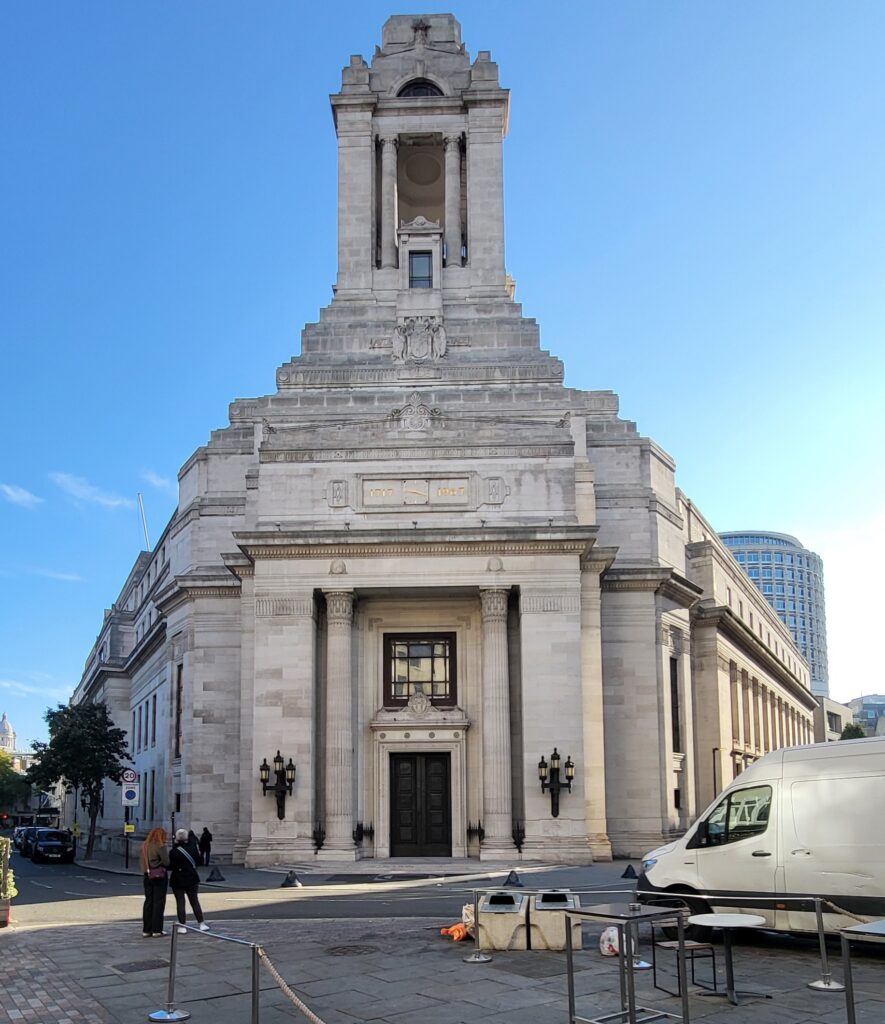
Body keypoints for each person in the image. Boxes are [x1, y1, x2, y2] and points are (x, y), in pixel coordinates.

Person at [170, 827, 208, 933]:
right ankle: (201, 923)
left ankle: (182, 926)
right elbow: (200, 861)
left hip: (177, 878)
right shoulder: (193, 849)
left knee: (180, 902)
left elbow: (170, 866)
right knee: (194, 901)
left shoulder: (174, 851)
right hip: (191, 877)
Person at [140, 827, 169, 937]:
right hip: (159, 875)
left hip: (147, 875)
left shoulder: (144, 846)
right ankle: (157, 929)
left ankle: (147, 929)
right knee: (158, 903)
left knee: (148, 902)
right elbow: (166, 862)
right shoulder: (160, 846)